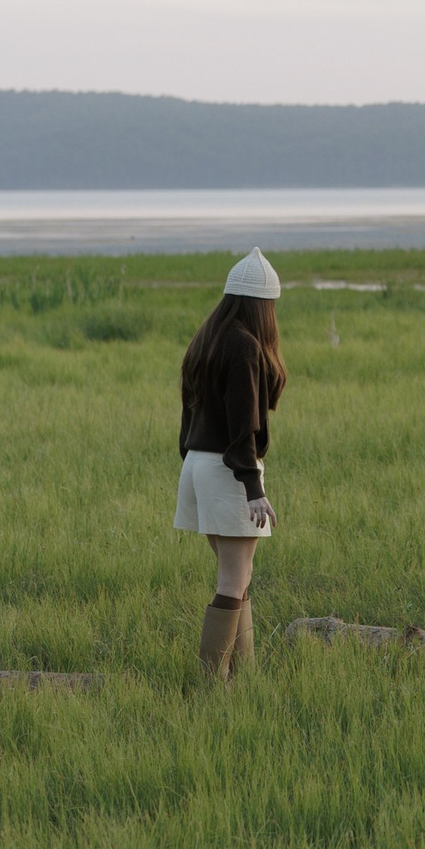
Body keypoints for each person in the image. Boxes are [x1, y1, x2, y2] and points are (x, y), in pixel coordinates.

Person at [174, 248, 286, 680]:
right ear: (263, 305)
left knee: (237, 576)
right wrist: (253, 487)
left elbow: (189, 413)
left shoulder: (208, 338)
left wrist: (196, 464)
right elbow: (245, 426)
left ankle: (244, 678)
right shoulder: (244, 345)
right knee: (233, 580)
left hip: (200, 466)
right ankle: (209, 685)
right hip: (229, 469)